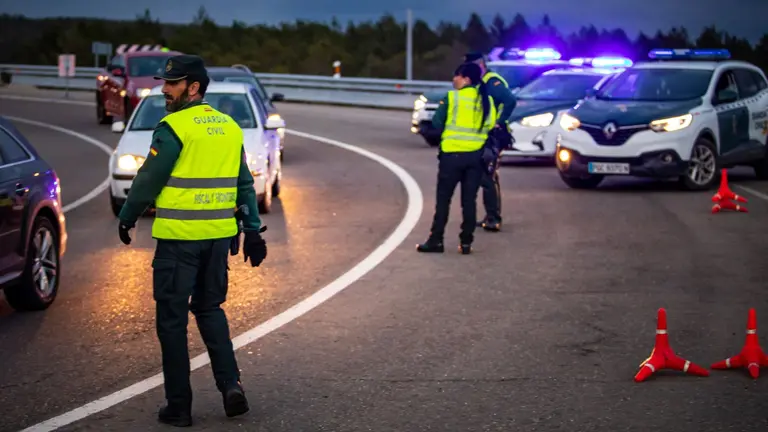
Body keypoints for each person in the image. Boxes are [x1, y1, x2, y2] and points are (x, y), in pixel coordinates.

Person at [116, 54, 268, 427]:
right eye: (165, 83)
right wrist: (251, 229)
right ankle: (231, 386)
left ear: (193, 87)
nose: (164, 90)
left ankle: (179, 406)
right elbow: (244, 184)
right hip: (218, 240)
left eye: (172, 83)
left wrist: (127, 216)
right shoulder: (229, 127)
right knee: (210, 310)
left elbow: (149, 179)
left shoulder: (173, 127)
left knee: (171, 321)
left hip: (178, 241)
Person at [416, 62, 502, 255]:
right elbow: (489, 127)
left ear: (466, 79)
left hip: (451, 157)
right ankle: (466, 243)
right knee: (468, 201)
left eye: (457, 76)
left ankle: (436, 240)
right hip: (475, 157)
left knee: (443, 200)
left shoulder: (452, 98)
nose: (454, 79)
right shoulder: (487, 101)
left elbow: (437, 122)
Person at [464, 51, 517, 232]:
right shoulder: (481, 82)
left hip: (494, 136)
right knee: (487, 176)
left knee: (487, 176)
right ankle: (490, 215)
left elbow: (510, 101)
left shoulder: (492, 81)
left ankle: (494, 218)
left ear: (480, 65)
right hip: (484, 135)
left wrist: (499, 123)